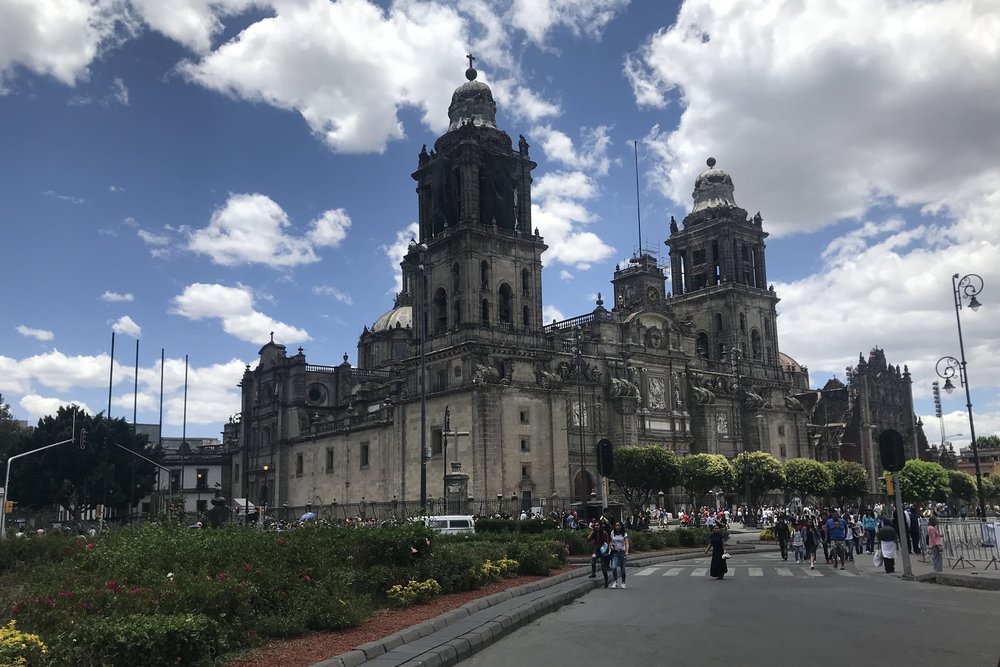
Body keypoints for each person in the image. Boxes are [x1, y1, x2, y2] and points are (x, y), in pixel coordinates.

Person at [609, 521, 630, 589]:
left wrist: (626, 551)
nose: (617, 527)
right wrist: (611, 546)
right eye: (616, 525)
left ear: (621, 526)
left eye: (619, 525)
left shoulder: (624, 534)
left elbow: (627, 543)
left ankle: (623, 582)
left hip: (622, 552)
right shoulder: (612, 533)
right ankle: (615, 581)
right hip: (615, 552)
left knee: (622, 569)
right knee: (614, 567)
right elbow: (611, 542)